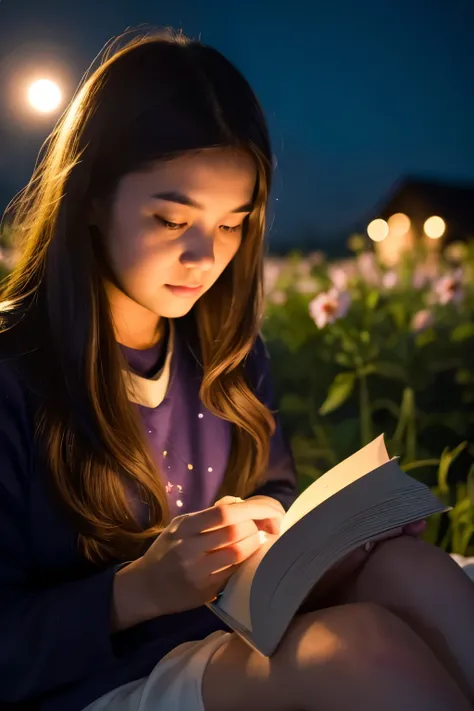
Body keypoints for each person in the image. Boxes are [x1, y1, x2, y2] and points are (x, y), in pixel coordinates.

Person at [0, 29, 473, 711]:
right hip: (96, 674)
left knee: (410, 567)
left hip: (222, 627)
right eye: (171, 218)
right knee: (359, 647)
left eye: (232, 225)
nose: (205, 256)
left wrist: (298, 530)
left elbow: (272, 485)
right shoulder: (18, 372)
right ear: (92, 198)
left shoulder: (224, 349)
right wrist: (135, 589)